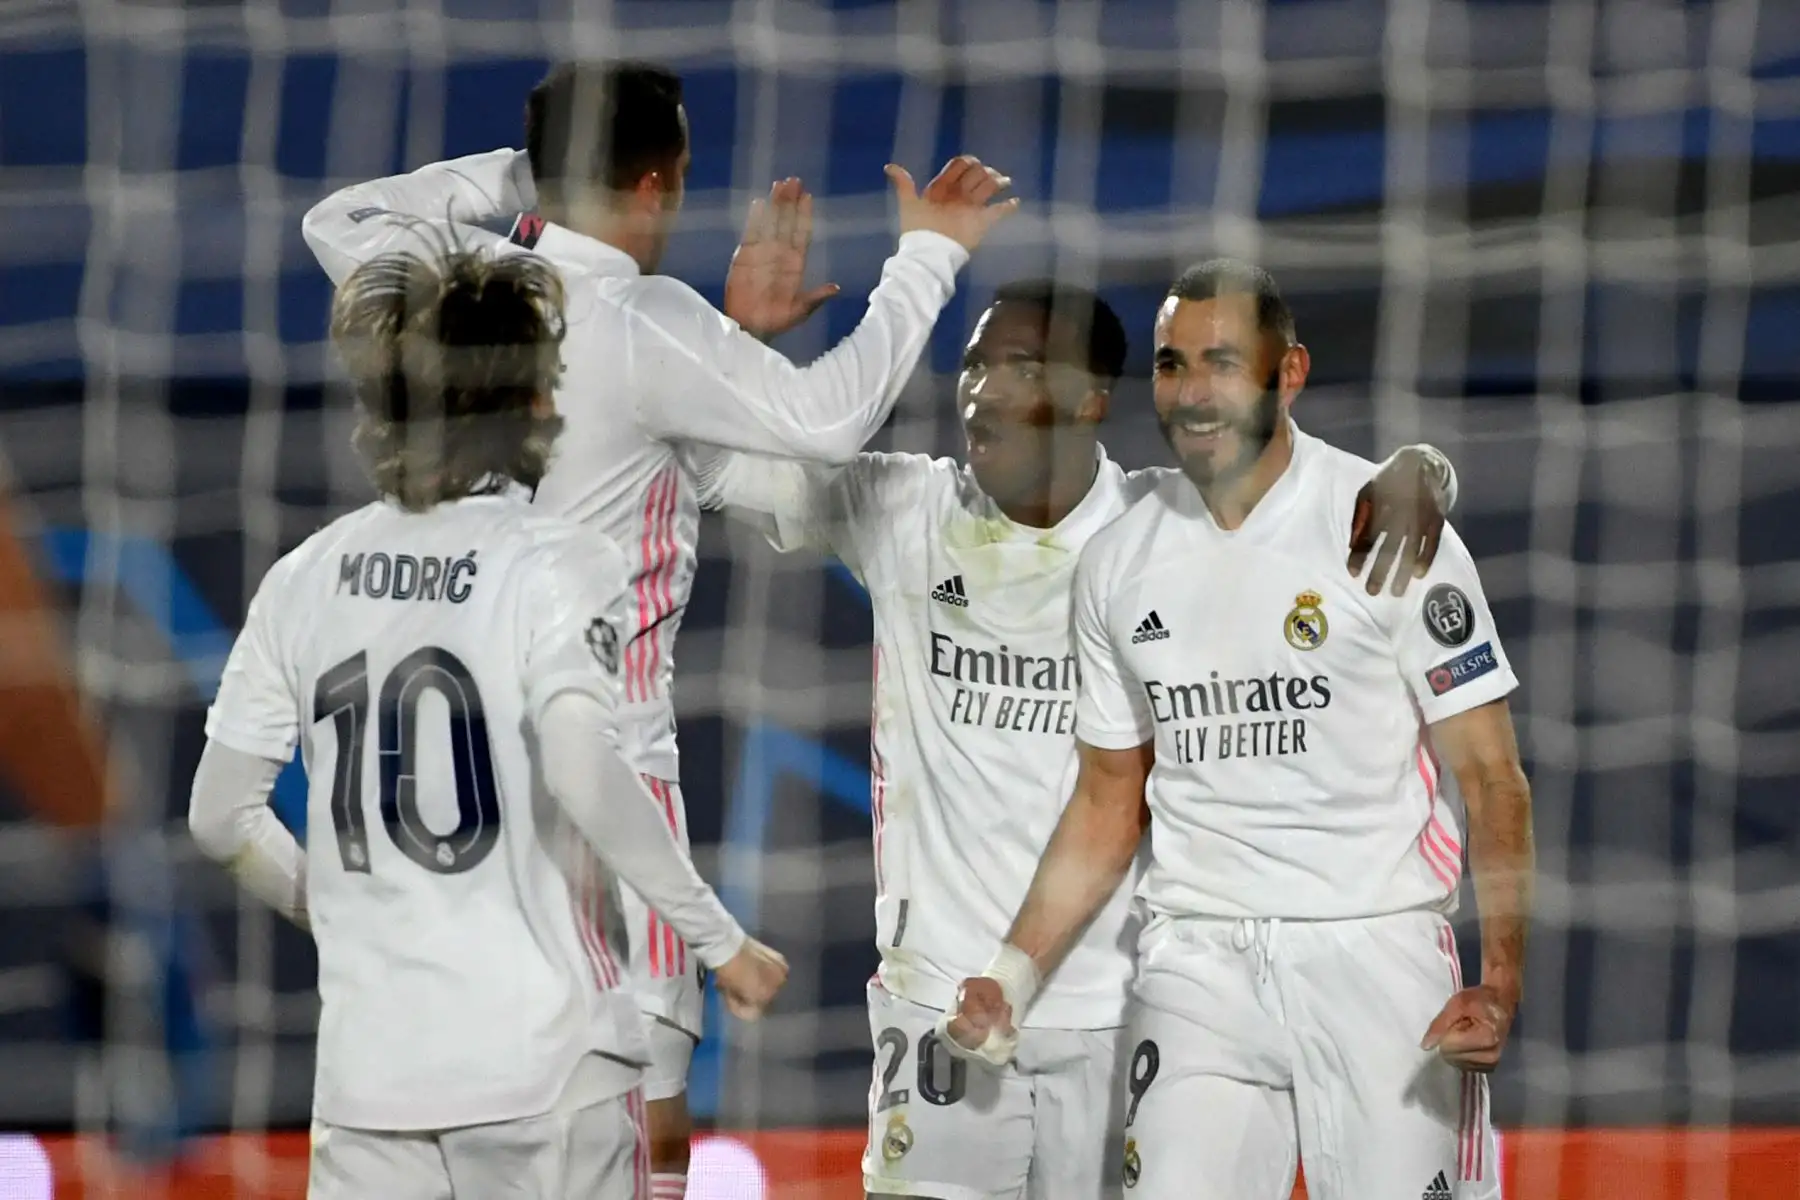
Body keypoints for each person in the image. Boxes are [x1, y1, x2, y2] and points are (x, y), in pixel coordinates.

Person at [299, 61, 1015, 1196]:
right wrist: (927, 255)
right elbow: (826, 425)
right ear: (659, 183)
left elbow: (335, 217)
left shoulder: (456, 285)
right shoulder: (641, 318)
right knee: (637, 1122)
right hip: (605, 773)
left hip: (447, 789)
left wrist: (519, 181)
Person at [691, 276, 1462, 1199]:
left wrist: (1426, 469)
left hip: (1118, 1008)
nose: (981, 389)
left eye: (1018, 366)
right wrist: (733, 334)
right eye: (974, 366)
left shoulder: (1160, 532)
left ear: (1092, 399)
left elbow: (1313, 497)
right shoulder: (902, 509)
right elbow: (700, 462)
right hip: (937, 996)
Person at [186, 244, 789, 1198]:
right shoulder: (558, 561)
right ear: (530, 401)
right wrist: (721, 943)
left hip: (366, 1082)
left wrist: (343, 912)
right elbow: (584, 765)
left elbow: (219, 817)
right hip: (545, 1066)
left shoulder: (300, 577)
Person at [942, 259, 1530, 1200]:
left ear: (1287, 373)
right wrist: (1009, 975)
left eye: (1221, 362)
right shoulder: (1120, 563)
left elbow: (1495, 778)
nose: (1191, 392)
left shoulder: (1390, 527)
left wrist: (1498, 982)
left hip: (1374, 957)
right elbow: (1107, 798)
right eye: (1173, 365)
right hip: (1196, 963)